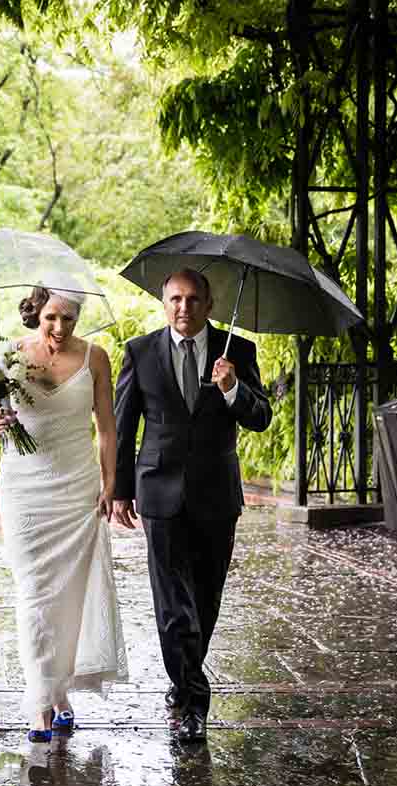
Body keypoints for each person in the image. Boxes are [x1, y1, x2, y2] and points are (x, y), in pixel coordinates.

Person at [111, 268, 272, 743]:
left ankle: (183, 680)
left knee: (205, 599)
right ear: (164, 303)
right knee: (172, 604)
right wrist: (120, 490)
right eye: (175, 299)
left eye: (193, 300)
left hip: (216, 494)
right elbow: (123, 428)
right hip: (158, 492)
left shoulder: (238, 352)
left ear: (209, 303)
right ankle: (190, 700)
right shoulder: (140, 352)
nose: (183, 308)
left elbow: (261, 416)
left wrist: (231, 389)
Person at [0, 280, 128, 744]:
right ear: (36, 312)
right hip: (25, 488)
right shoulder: (5, 357)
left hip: (78, 489)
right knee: (34, 593)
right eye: (51, 316)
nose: (59, 326)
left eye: (68, 318)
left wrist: (111, 482)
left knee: (70, 596)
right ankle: (38, 703)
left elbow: (107, 427)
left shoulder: (96, 358)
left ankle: (60, 693)